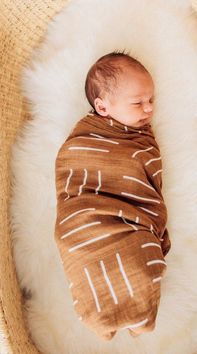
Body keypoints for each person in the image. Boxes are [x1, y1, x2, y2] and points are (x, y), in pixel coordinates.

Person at [54, 50, 171, 341]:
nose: (148, 109)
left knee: (141, 265)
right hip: (85, 217)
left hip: (132, 217)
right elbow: (73, 164)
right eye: (138, 103)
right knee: (80, 244)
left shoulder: (138, 139)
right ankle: (104, 317)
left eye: (151, 100)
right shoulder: (87, 137)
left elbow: (143, 176)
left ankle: (139, 315)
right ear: (103, 108)